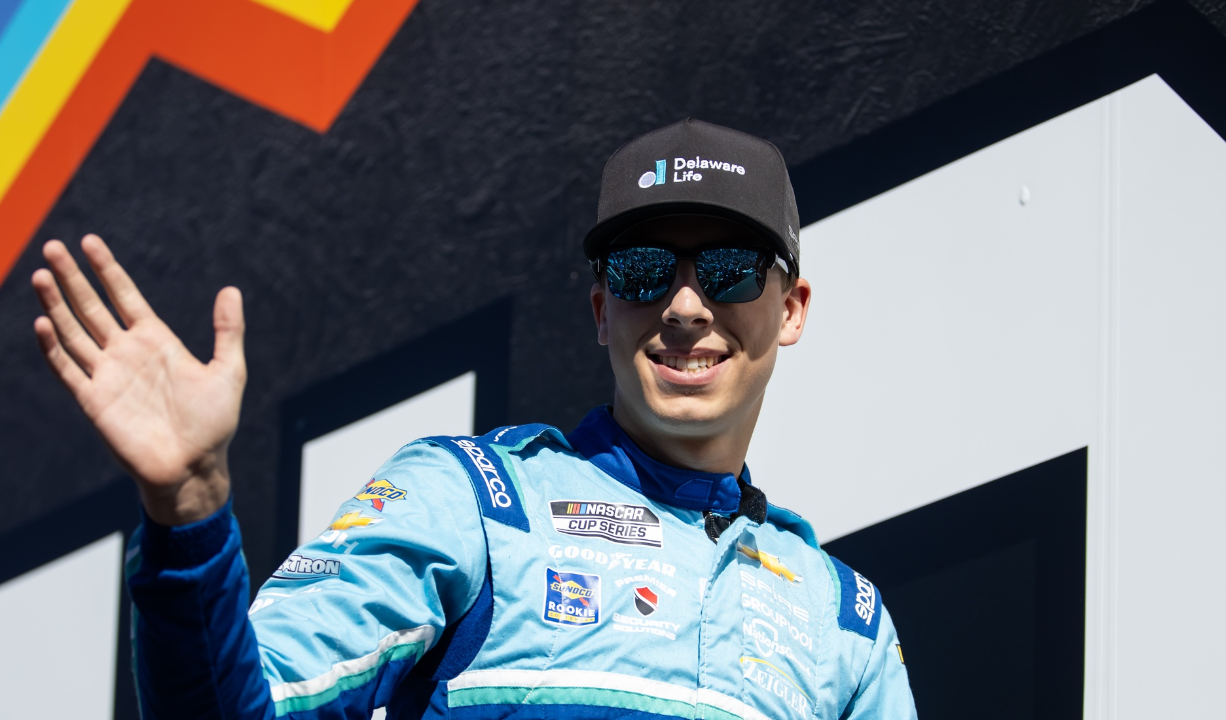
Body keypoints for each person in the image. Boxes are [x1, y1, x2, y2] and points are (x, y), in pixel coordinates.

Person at [31, 119, 916, 719]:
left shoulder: (847, 621)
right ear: (603, 307)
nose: (684, 306)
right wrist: (188, 509)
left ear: (792, 308)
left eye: (726, 268)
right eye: (646, 268)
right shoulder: (475, 499)